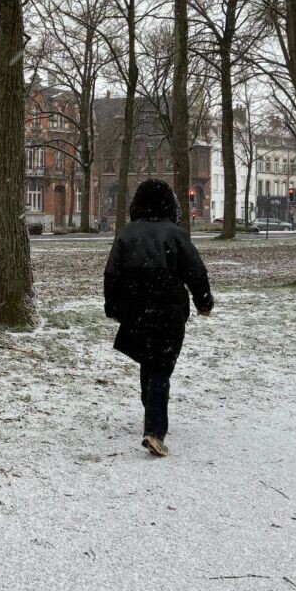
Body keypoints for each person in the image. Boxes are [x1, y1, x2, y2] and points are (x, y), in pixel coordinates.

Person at [103, 178, 214, 457]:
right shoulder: (176, 235)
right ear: (170, 205)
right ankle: (154, 429)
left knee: (148, 358)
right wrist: (204, 302)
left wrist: (113, 306)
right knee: (161, 366)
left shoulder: (127, 234)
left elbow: (112, 274)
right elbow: (195, 271)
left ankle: (150, 404)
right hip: (169, 308)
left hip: (135, 307)